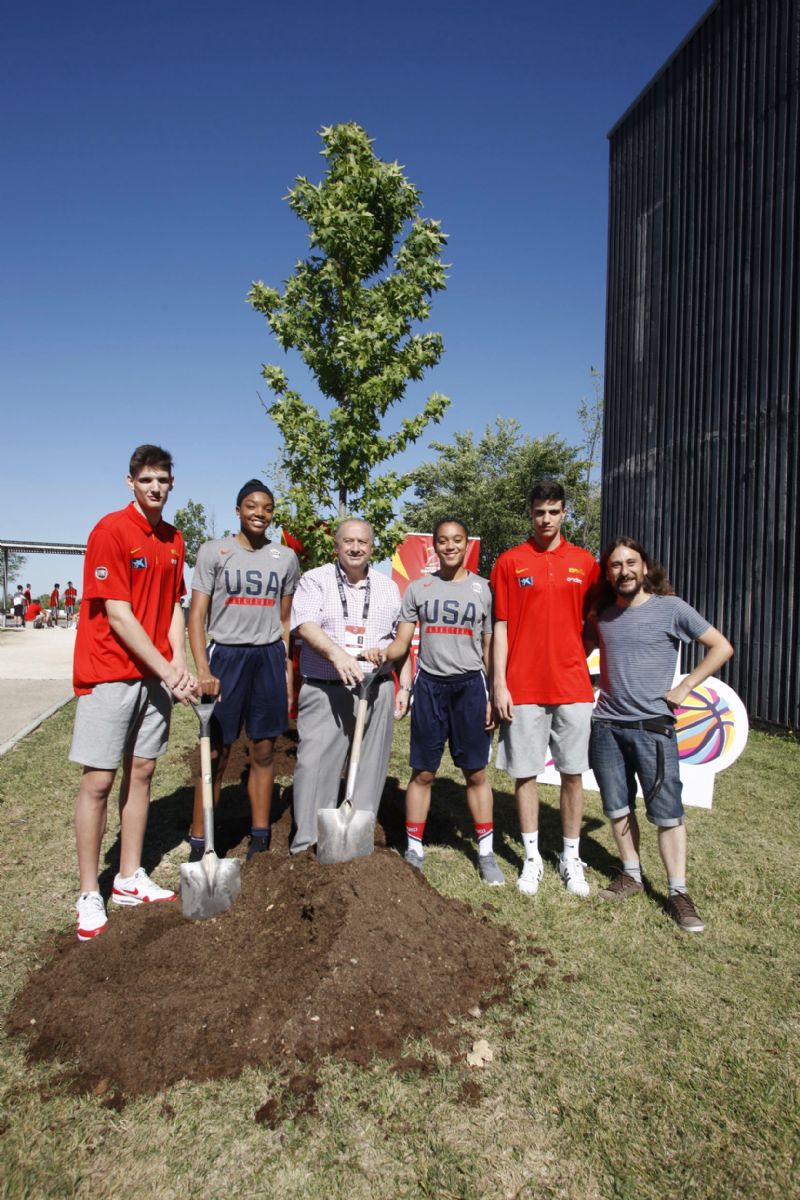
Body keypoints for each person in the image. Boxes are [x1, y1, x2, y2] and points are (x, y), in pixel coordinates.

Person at [70, 444, 197, 941]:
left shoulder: (173, 539)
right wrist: (168, 670)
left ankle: (127, 878)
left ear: (171, 483)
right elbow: (119, 615)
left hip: (155, 676)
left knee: (141, 772)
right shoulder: (110, 531)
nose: (155, 488)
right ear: (131, 482)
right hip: (110, 672)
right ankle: (88, 892)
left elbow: (171, 606)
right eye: (146, 480)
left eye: (163, 480)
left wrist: (180, 665)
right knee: (98, 781)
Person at [586, 537, 733, 932]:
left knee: (667, 813)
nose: (624, 571)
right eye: (615, 565)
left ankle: (677, 892)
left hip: (653, 728)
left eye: (630, 563)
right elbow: (575, 652)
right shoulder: (601, 615)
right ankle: (631, 874)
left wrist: (685, 688)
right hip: (607, 727)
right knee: (616, 807)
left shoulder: (671, 609)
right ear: (608, 573)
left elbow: (721, 647)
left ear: (645, 567)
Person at [365, 518, 503, 885]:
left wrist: (493, 691)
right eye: (443, 541)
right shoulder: (418, 588)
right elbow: (402, 643)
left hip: (471, 687)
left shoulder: (484, 589)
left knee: (475, 772)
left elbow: (490, 647)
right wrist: (383, 654)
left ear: (465, 545)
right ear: (435, 547)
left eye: (457, 540)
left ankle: (486, 853)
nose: (450, 546)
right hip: (430, 688)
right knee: (423, 772)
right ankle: (414, 847)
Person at [491, 480, 600, 897]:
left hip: (572, 687)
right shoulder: (510, 562)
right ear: (530, 514)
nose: (546, 519)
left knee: (574, 774)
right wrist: (500, 683)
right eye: (539, 511)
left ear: (564, 513)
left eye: (554, 511)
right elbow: (500, 625)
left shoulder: (584, 562)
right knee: (525, 773)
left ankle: (570, 855)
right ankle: (532, 856)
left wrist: (573, 654)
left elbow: (593, 625)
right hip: (522, 686)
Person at [187, 480, 300, 861]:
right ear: (238, 510)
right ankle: (201, 839)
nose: (259, 513)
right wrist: (202, 667)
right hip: (226, 658)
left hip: (266, 657)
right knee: (216, 751)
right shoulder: (214, 552)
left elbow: (283, 620)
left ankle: (260, 836)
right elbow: (197, 615)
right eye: (252, 506)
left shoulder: (284, 558)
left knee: (264, 749)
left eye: (267, 508)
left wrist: (284, 668)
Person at [289, 518, 412, 854]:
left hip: (377, 688)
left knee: (370, 769)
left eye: (363, 542)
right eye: (349, 542)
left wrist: (404, 685)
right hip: (327, 687)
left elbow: (400, 639)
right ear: (337, 546)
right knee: (315, 766)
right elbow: (304, 625)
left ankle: (354, 848)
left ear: (372, 548)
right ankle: (307, 848)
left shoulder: (387, 587)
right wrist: (337, 655)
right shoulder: (316, 580)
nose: (356, 548)